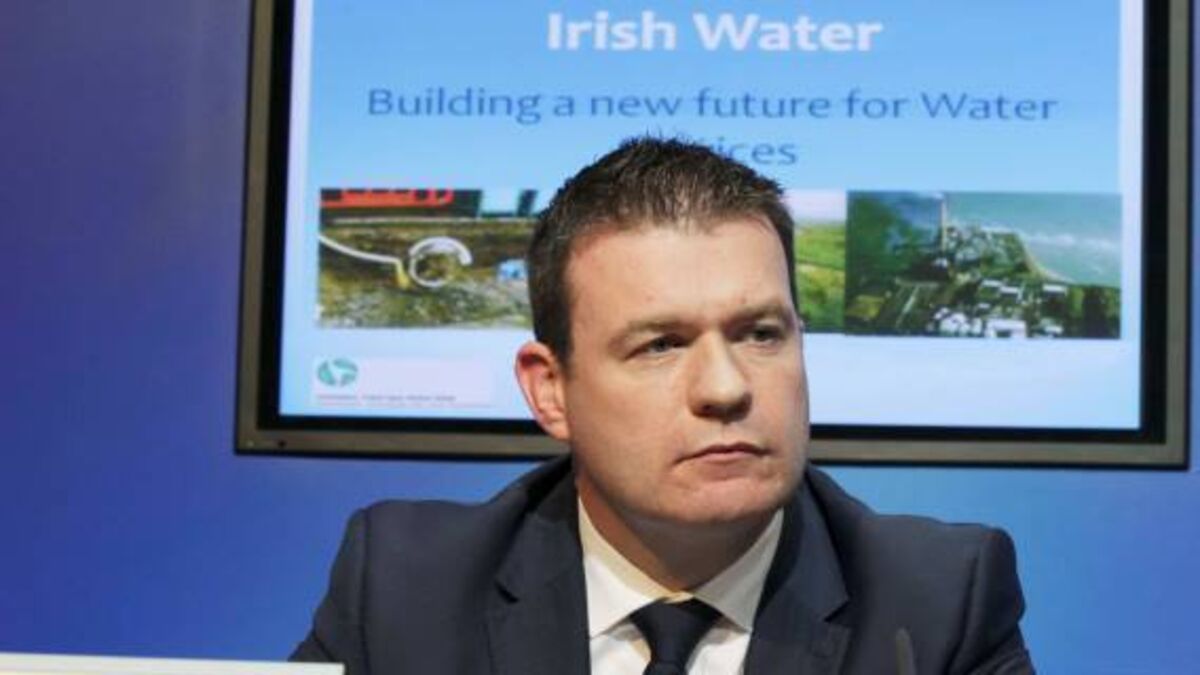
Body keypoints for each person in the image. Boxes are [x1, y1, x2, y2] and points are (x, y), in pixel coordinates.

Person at [292, 138, 1034, 674]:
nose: (726, 388)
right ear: (550, 389)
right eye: (661, 345)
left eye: (761, 333)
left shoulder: (935, 604)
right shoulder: (406, 586)